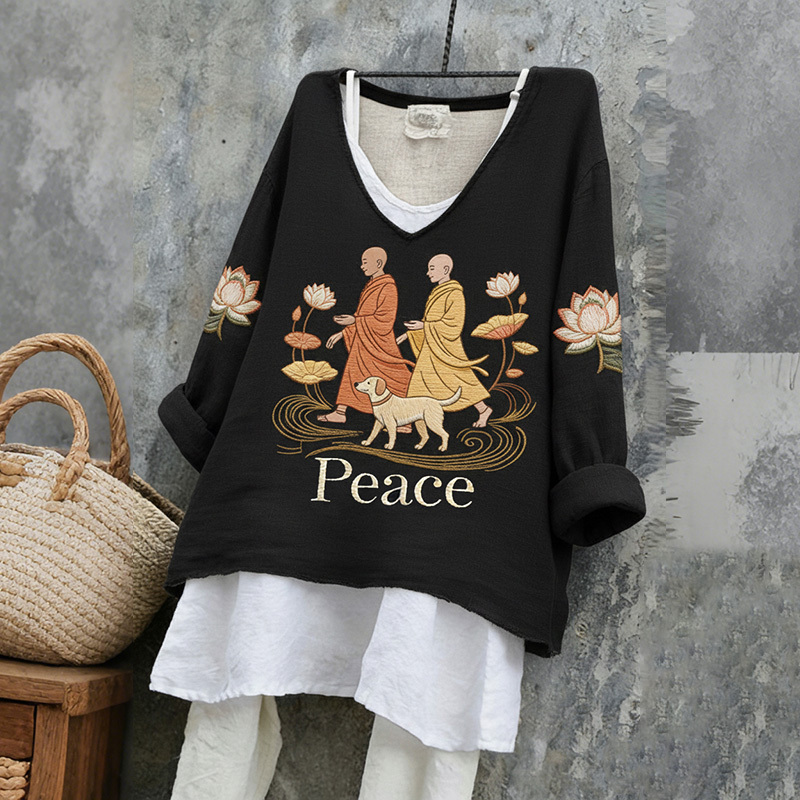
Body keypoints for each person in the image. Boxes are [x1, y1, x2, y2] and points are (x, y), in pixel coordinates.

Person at [318, 246, 413, 425]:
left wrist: (354, 320)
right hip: (363, 340)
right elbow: (362, 315)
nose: (362, 266)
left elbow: (385, 319)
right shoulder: (371, 284)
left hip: (380, 342)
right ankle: (340, 412)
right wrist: (343, 332)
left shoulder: (387, 286)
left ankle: (405, 421)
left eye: (365, 262)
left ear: (378, 263)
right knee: (353, 372)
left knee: (395, 377)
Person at [397, 254, 493, 428]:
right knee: (420, 382)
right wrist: (409, 334)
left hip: (446, 347)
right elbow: (430, 320)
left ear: (446, 269)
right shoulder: (437, 291)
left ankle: (484, 409)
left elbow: (454, 324)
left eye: (432, 268)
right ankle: (410, 421)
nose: (428, 273)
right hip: (432, 345)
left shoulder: (455, 293)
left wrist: (424, 326)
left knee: (460, 380)